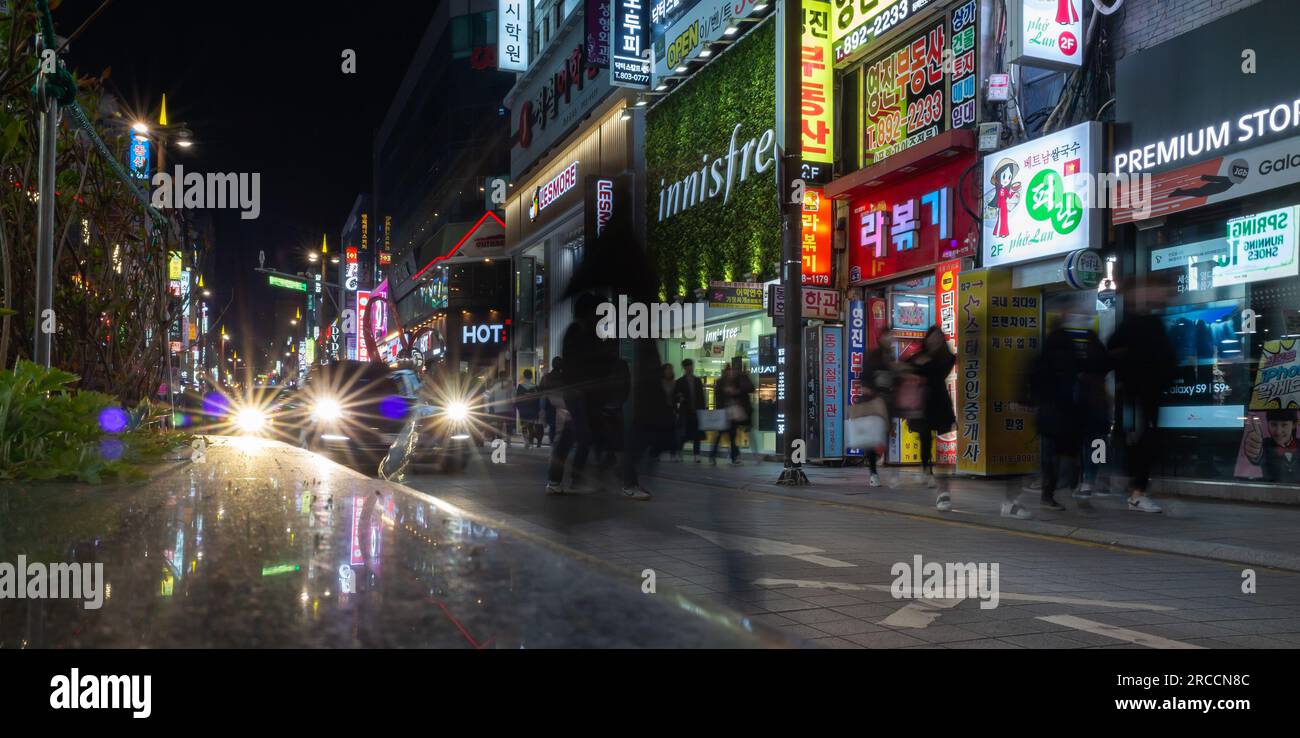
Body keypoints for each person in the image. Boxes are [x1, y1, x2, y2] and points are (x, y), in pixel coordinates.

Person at [1107, 285, 1177, 513]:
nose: (1165, 296)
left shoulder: (1147, 324)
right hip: (1139, 393)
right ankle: (1137, 492)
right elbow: (1113, 351)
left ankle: (1136, 489)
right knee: (1142, 440)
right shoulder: (1139, 325)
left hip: (1144, 393)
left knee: (1142, 440)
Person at [547, 295, 603, 495]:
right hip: (578, 391)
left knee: (571, 435)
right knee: (584, 436)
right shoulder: (579, 331)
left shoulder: (581, 330)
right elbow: (580, 363)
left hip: (579, 391)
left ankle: (557, 480)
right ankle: (574, 480)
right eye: (597, 311)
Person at [1030, 319, 1081, 512]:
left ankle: (1048, 491)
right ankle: (1076, 484)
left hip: (1048, 414)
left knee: (1049, 455)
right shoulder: (1069, 358)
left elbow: (1033, 382)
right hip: (1065, 413)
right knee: (1067, 452)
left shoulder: (1043, 357)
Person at [906, 326, 957, 510]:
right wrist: (920, 364)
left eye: (937, 337)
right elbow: (908, 366)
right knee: (925, 438)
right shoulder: (920, 355)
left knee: (944, 444)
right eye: (931, 337)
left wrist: (924, 364)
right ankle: (926, 469)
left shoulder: (947, 357)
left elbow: (939, 372)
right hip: (924, 404)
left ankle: (942, 486)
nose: (933, 341)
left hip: (941, 405)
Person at [855, 328, 897, 488]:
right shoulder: (873, 355)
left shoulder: (891, 356)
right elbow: (864, 378)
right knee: (872, 436)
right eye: (888, 336)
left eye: (891, 336)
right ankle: (873, 472)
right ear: (881, 338)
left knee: (884, 434)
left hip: (887, 402)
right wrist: (868, 389)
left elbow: (894, 379)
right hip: (873, 402)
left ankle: (876, 462)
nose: (890, 339)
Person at [710, 363, 755, 466]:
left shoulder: (736, 381)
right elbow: (718, 397)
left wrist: (736, 391)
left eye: (731, 371)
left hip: (733, 413)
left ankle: (733, 457)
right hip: (724, 413)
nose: (730, 373)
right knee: (721, 435)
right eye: (728, 371)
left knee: (732, 435)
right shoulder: (720, 382)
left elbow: (749, 389)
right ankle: (714, 455)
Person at [673, 358, 706, 462]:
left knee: (696, 434)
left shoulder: (697, 381)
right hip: (686, 411)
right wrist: (680, 398)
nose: (689, 368)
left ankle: (696, 454)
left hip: (696, 411)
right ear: (684, 368)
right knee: (683, 434)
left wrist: (703, 409)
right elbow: (675, 396)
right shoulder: (680, 381)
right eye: (687, 366)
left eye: (690, 365)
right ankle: (679, 452)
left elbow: (701, 396)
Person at [514, 369, 542, 448]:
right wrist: (538, 410)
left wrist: (518, 407)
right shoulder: (535, 387)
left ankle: (526, 442)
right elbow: (538, 400)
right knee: (531, 426)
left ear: (524, 376)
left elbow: (517, 399)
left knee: (524, 426)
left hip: (523, 410)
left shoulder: (520, 387)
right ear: (531, 376)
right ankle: (531, 441)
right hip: (533, 410)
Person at [538, 357, 562, 445]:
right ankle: (558, 445)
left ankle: (553, 445)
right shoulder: (564, 377)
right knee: (563, 427)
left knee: (553, 426)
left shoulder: (546, 377)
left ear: (552, 365)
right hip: (562, 405)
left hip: (549, 404)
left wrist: (542, 408)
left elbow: (540, 391)